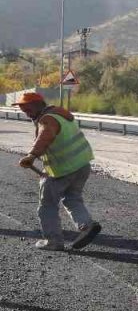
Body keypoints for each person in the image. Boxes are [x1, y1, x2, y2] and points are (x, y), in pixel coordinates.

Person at [15, 91, 100, 251]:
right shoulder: (60, 114)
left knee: (47, 205)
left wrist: (32, 156)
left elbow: (45, 137)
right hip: (82, 165)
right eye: (23, 110)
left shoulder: (47, 119)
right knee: (72, 198)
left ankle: (53, 241)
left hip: (63, 170)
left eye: (27, 109)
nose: (26, 113)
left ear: (38, 105)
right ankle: (86, 226)